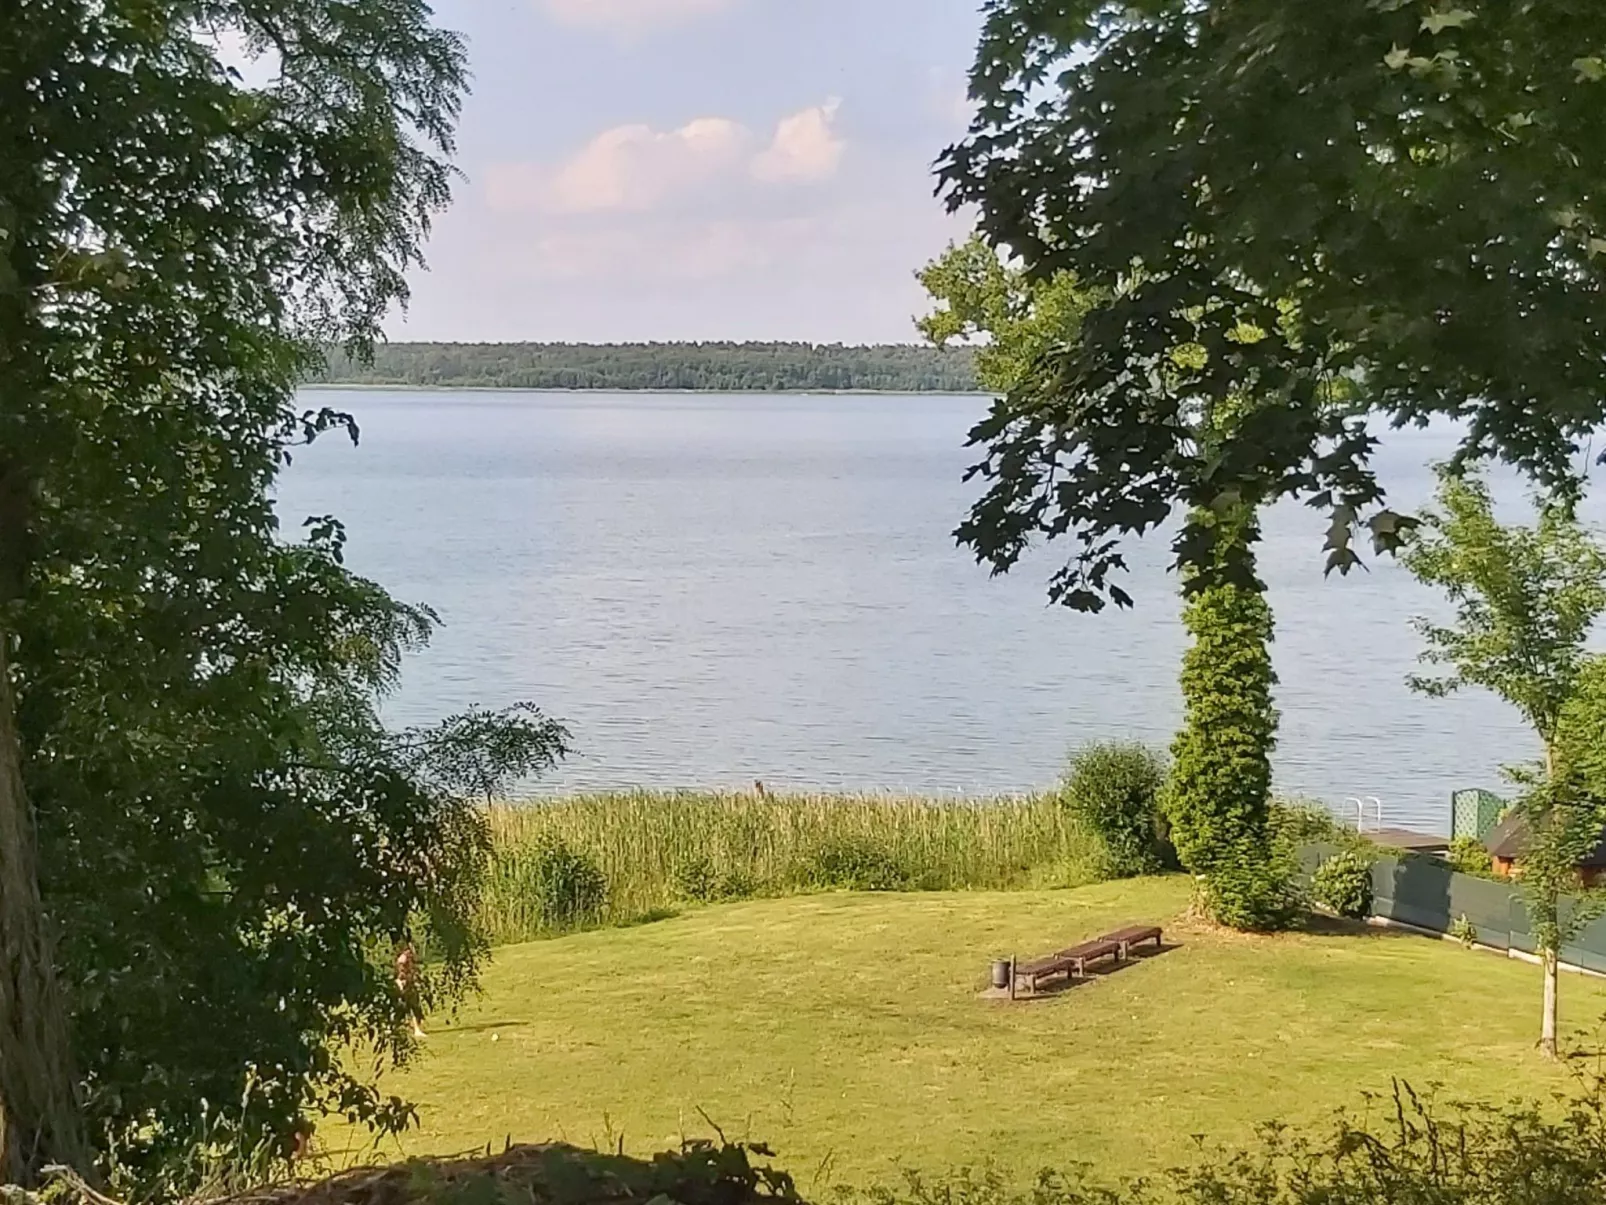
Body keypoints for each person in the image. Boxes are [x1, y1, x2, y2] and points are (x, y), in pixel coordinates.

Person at [395, 941, 425, 1038]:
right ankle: (415, 1029)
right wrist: (402, 980)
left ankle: (415, 1028)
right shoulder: (405, 956)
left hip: (408, 983)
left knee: (411, 1006)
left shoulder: (409, 957)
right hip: (405, 984)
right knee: (410, 1006)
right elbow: (401, 968)